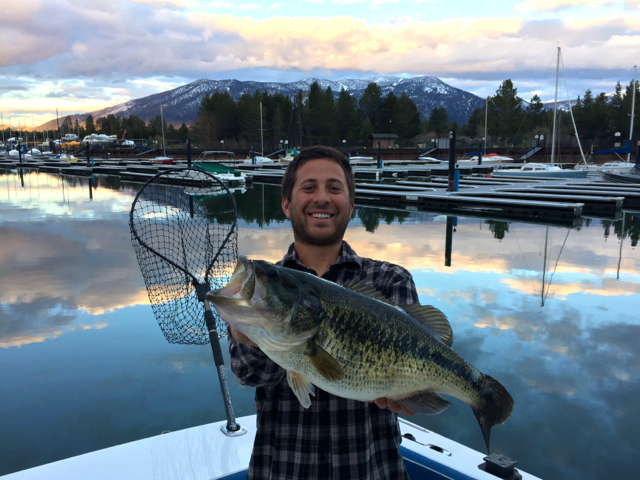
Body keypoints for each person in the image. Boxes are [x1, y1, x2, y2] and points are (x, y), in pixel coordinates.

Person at [228, 145, 419, 479]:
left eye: (334, 188)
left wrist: (413, 393)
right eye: (308, 187)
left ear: (351, 205)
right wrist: (254, 335)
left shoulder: (390, 280)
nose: (322, 198)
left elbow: (412, 368)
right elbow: (249, 374)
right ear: (286, 204)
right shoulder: (264, 289)